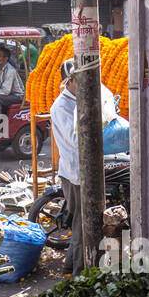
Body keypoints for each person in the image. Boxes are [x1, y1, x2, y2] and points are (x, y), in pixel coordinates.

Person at [49, 59, 83, 273]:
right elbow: (75, 139)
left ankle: (71, 265)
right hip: (74, 173)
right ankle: (78, 272)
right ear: (69, 81)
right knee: (82, 225)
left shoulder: (77, 101)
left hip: (79, 170)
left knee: (82, 223)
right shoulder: (62, 106)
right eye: (79, 79)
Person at [0, 44, 26, 134]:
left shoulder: (10, 71)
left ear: (6, 58)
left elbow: (5, 91)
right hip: (8, 95)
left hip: (17, 96)